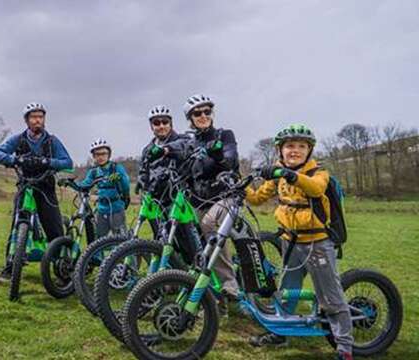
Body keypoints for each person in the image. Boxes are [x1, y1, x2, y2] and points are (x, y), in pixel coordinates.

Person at [245, 124, 354, 360]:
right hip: (290, 242)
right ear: (280, 150)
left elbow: (315, 189)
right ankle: (280, 333)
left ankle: (345, 348)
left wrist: (290, 175)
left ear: (309, 150)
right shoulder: (278, 176)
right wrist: (240, 183)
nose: (295, 151)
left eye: (301, 146)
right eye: (289, 146)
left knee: (331, 298)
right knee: (287, 292)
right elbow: (256, 199)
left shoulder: (318, 173)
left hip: (317, 243)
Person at [149, 95, 241, 303]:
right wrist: (164, 150)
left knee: (210, 225)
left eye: (207, 112)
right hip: (200, 199)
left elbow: (230, 159)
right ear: (190, 118)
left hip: (226, 195)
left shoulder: (224, 135)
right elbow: (179, 148)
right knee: (190, 234)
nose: (203, 116)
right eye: (197, 113)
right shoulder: (191, 140)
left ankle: (229, 283)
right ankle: (197, 283)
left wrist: (218, 155)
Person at [0, 102, 73, 283]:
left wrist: (46, 162)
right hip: (25, 187)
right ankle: (10, 267)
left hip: (45, 188)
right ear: (27, 120)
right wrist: (16, 159)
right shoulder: (18, 139)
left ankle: (62, 270)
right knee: (16, 225)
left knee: (54, 228)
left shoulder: (52, 141)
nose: (37, 120)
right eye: (33, 117)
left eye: (40, 117)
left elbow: (67, 162)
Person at [76, 138, 130, 239]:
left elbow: (126, 184)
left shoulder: (116, 168)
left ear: (108, 154)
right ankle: (98, 255)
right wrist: (72, 184)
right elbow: (85, 184)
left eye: (103, 153)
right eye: (97, 154)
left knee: (120, 239)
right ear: (94, 156)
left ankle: (126, 254)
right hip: (101, 209)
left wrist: (119, 178)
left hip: (116, 208)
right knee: (99, 239)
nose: (100, 157)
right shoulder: (94, 172)